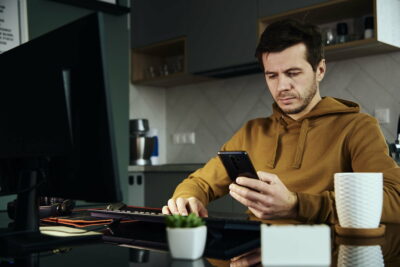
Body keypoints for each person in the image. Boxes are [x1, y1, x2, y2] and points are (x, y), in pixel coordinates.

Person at [162, 19, 400, 224]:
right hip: (256, 249)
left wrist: (297, 204)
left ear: (320, 70)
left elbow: (394, 198)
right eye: (272, 75)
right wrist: (186, 198)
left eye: (293, 73)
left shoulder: (357, 127)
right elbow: (201, 182)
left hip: (324, 253)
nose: (282, 86)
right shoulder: (252, 132)